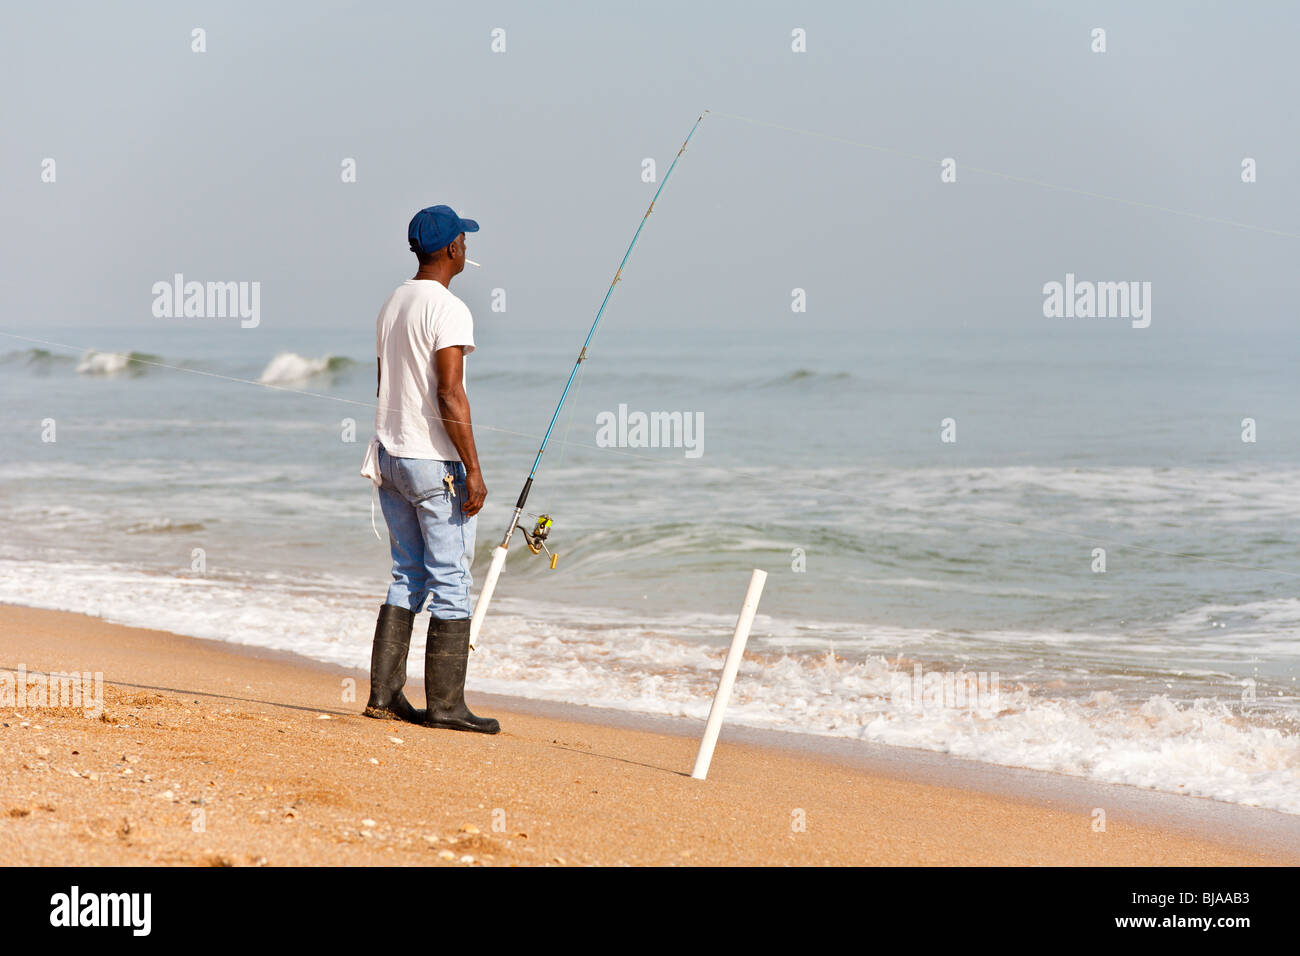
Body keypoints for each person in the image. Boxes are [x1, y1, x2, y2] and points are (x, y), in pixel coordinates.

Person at [358, 204, 498, 734]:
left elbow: (383, 384)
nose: (468, 247)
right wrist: (474, 470)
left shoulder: (392, 303)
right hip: (430, 461)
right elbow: (449, 392)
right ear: (452, 250)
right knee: (451, 579)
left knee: (406, 575)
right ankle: (446, 706)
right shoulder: (449, 308)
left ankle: (385, 697)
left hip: (389, 456)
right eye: (464, 239)